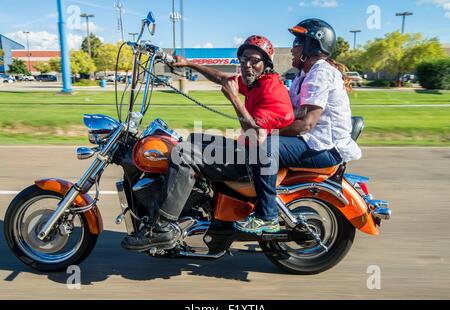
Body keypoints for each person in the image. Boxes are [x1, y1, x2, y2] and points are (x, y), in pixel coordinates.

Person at [121, 35, 295, 251]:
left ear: (266, 64)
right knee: (192, 139)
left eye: (253, 61)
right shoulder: (256, 82)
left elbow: (255, 134)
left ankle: (161, 228)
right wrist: (189, 63)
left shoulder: (272, 91)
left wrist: (233, 98)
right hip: (246, 149)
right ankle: (195, 202)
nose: (247, 66)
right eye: (243, 61)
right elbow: (222, 77)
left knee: (183, 154)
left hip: (254, 160)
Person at [234, 18, 362, 233]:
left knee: (264, 148)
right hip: (313, 142)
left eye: (296, 43)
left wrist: (266, 133)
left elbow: (306, 123)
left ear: (312, 46)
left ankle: (267, 217)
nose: (292, 49)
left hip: (324, 147)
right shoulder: (305, 75)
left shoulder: (321, 74)